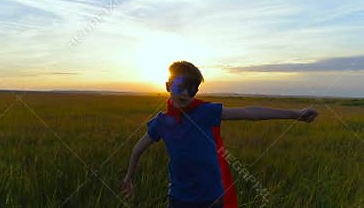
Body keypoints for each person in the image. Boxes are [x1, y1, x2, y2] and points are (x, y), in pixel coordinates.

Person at [121, 61, 318, 208]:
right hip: (179, 199)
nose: (184, 94)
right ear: (167, 86)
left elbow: (250, 113)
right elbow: (137, 150)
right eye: (178, 86)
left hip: (212, 198)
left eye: (191, 89)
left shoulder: (205, 112)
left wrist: (295, 114)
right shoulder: (160, 123)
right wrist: (129, 178)